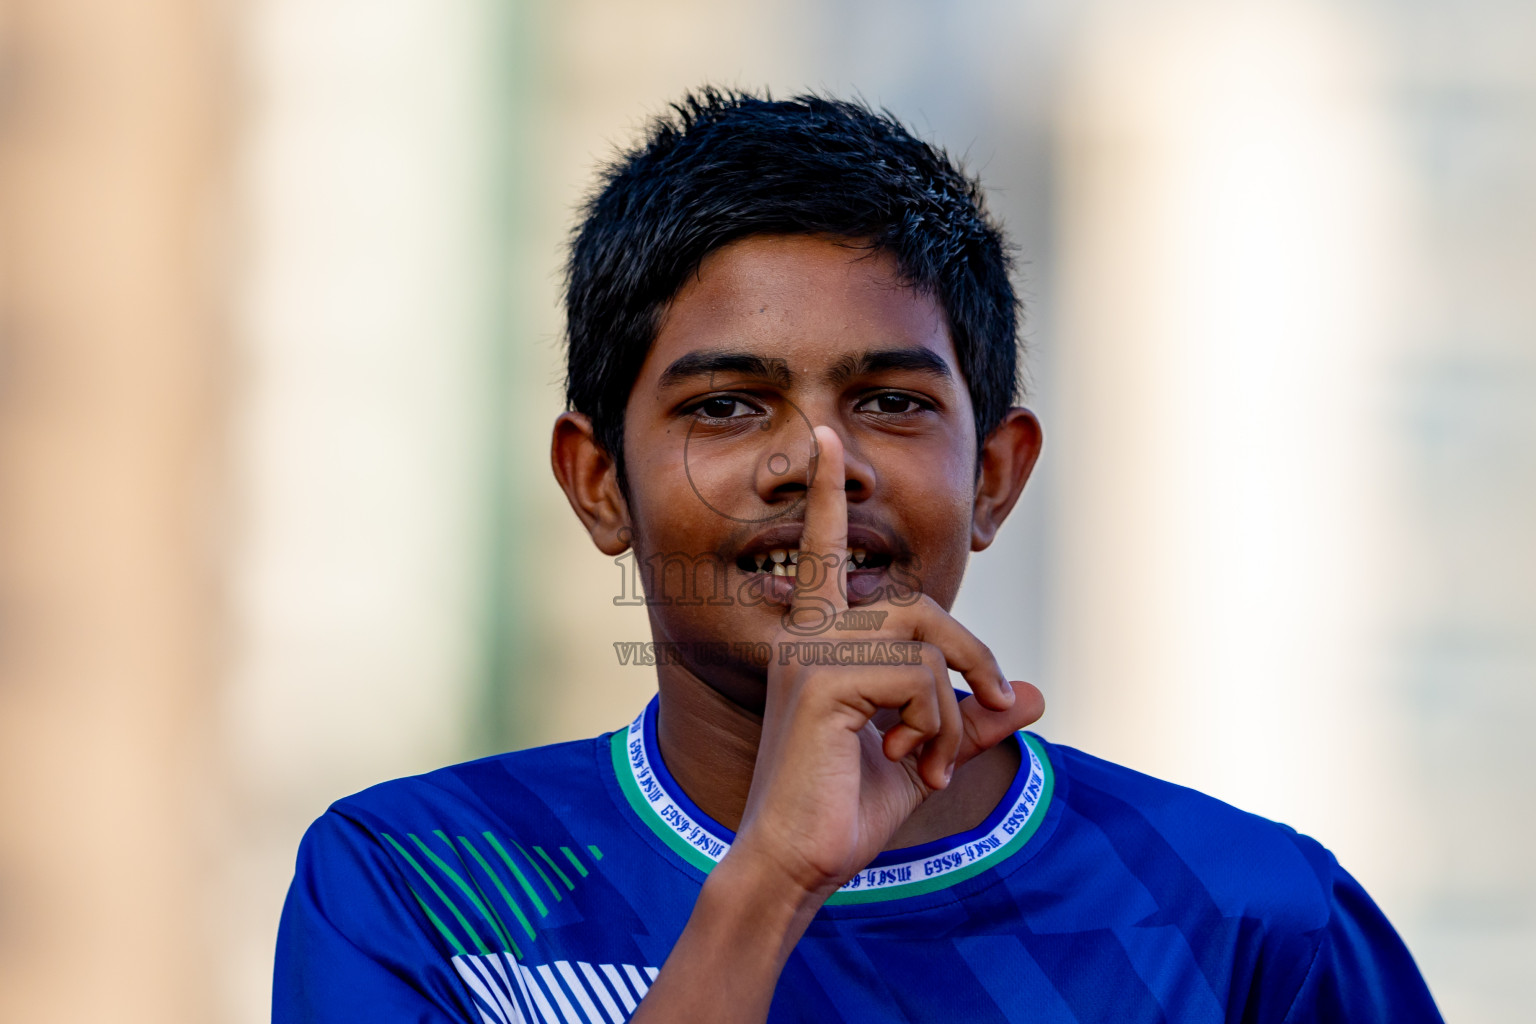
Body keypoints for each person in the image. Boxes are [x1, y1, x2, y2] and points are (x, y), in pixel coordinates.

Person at [273, 89, 1443, 1023]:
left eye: (889, 400)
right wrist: (772, 877)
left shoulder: (1252, 921)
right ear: (596, 483)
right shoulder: (419, 886)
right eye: (728, 406)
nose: (818, 462)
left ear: (994, 476)